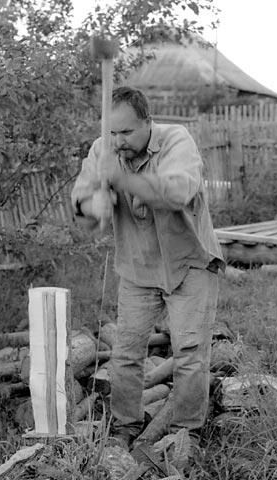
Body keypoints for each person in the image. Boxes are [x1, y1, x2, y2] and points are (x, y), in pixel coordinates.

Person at [70, 86, 225, 447]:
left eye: (126, 132)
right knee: (126, 353)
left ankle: (186, 433)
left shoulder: (176, 141)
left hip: (190, 264)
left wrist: (121, 178)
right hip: (138, 268)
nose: (118, 141)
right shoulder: (102, 150)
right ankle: (126, 425)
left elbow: (174, 193)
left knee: (189, 353)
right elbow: (82, 207)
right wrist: (94, 204)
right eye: (113, 133)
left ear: (148, 123)